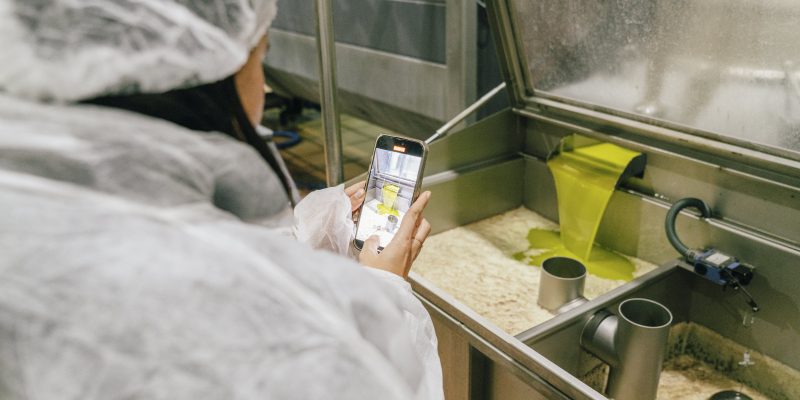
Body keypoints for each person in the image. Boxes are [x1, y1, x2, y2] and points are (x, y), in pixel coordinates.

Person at [0, 1, 442, 399]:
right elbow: (359, 378)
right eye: (261, 57)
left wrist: (312, 233)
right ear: (203, 71)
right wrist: (384, 291)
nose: (263, 86)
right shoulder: (266, 319)